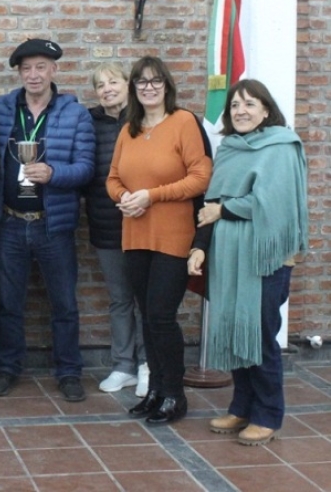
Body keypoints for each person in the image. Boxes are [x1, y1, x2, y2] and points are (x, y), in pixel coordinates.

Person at [189, 79, 307, 446]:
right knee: (234, 330)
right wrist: (200, 247)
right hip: (228, 258)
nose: (241, 111)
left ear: (266, 110)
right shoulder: (229, 150)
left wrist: (224, 209)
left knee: (259, 336)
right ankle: (242, 406)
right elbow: (210, 206)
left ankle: (268, 414)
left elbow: (273, 206)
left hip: (265, 260)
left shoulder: (282, 148)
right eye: (235, 105)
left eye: (249, 104)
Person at [106, 55, 212, 425]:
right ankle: (154, 390)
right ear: (134, 89)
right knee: (146, 317)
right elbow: (113, 177)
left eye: (155, 81)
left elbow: (200, 177)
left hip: (173, 236)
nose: (148, 87)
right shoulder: (128, 128)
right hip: (135, 235)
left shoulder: (183, 123)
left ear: (166, 85)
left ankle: (174, 394)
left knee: (162, 317)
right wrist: (124, 198)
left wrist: (151, 195)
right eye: (141, 82)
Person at [0, 39, 95, 402]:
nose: (33, 75)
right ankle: (6, 367)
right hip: (10, 222)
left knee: (64, 303)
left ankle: (69, 371)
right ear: (19, 73)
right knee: (8, 302)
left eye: (40, 67)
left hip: (54, 224)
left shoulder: (75, 114)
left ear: (54, 70)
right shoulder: (1, 109)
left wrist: (54, 173)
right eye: (26, 68)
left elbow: (86, 168)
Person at [85, 62, 148, 397]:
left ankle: (149, 365)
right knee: (120, 298)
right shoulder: (89, 122)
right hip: (106, 224)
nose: (107, 89)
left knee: (148, 299)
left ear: (128, 85)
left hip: (145, 221)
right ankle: (123, 365)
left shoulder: (146, 119)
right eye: (100, 85)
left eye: (113, 82)